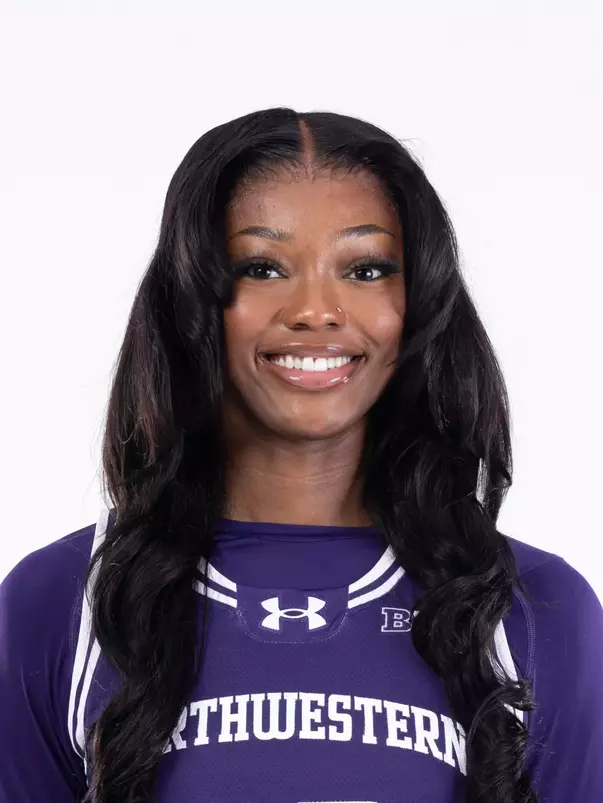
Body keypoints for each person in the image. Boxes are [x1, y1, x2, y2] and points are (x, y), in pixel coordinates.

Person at [1, 107, 602, 803]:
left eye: (366, 268)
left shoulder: (530, 606)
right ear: (192, 300)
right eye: (261, 266)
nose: (316, 309)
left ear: (417, 304)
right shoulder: (62, 603)